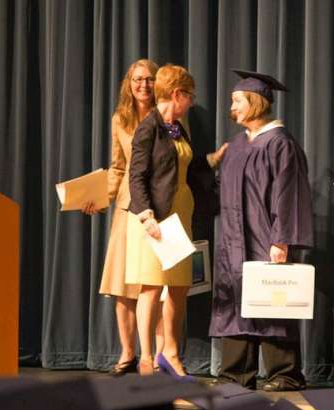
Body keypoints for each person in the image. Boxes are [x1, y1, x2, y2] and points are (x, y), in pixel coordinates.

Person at [209, 69, 314, 391]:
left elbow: (289, 194)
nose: (233, 107)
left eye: (237, 100)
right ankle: (236, 374)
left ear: (255, 102)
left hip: (265, 237)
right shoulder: (238, 144)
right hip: (232, 239)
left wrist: (282, 239)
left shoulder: (281, 144)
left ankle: (284, 374)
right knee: (236, 305)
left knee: (272, 303)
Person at [126, 64, 227, 377]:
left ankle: (169, 351)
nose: (192, 103)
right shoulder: (149, 127)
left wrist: (211, 160)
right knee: (152, 289)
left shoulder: (176, 128)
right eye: (190, 96)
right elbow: (137, 175)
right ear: (177, 94)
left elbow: (184, 165)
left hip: (179, 216)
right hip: (154, 219)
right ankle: (146, 359)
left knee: (180, 286)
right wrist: (146, 216)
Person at [83, 59, 164, 375]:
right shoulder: (121, 118)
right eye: (137, 79)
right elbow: (118, 166)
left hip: (160, 206)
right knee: (122, 285)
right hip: (127, 208)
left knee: (155, 286)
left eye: (149, 79)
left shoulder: (167, 115)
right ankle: (127, 354)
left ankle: (155, 357)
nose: (143, 85)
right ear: (128, 84)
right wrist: (101, 197)